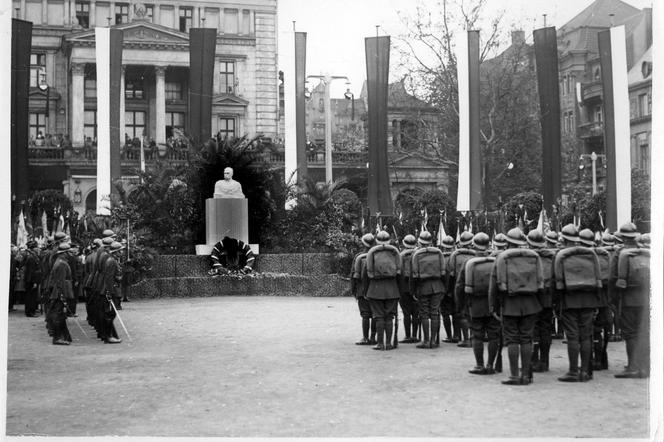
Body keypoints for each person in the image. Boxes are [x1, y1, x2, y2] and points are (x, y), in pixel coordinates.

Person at [489, 227, 543, 385]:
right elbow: (541, 282)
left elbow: (494, 284)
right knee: (527, 339)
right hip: (531, 303)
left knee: (512, 339)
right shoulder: (534, 256)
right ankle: (526, 375)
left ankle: (514, 375)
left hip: (509, 303)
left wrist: (492, 306)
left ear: (507, 242)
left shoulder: (502, 257)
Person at [553, 224, 603, 382]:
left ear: (564, 238)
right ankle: (586, 372)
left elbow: (556, 283)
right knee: (586, 336)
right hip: (588, 300)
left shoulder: (561, 255)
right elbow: (598, 280)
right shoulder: (591, 254)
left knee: (573, 337)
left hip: (569, 300)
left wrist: (556, 304)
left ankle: (573, 371)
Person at [456, 232, 500, 374]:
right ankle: (491, 365)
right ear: (488, 245)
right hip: (493, 304)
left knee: (477, 335)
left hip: (474, 305)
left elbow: (459, 287)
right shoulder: (496, 261)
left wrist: (461, 305)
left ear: (474, 245)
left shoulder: (468, 263)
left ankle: (479, 365)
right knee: (493, 336)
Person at [610, 223, 650, 378]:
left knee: (630, 333)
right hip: (646, 298)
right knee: (644, 332)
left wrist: (612, 299)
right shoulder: (645, 252)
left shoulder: (621, 253)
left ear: (622, 237)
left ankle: (632, 367)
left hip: (628, 298)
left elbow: (613, 277)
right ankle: (645, 367)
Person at [361, 230, 401, 351]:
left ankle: (379, 343)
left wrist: (366, 291)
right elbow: (400, 274)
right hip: (392, 289)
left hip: (375, 289)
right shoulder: (395, 253)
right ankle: (388, 343)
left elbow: (365, 275)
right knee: (389, 317)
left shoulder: (372, 253)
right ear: (389, 240)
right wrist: (398, 291)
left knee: (378, 317)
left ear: (376, 240)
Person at [526, 230, 556, 372]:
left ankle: (534, 361)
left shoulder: (529, 258)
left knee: (534, 329)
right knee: (546, 329)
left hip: (533, 297)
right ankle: (545, 361)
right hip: (548, 298)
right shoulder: (552, 257)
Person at [410, 231, 446, 349]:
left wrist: (413, 291)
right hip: (437, 286)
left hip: (423, 287)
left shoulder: (416, 254)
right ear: (431, 242)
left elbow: (413, 276)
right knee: (435, 313)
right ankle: (434, 340)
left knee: (424, 314)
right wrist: (444, 288)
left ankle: (426, 341)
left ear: (420, 242)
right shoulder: (438, 252)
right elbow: (444, 273)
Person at [447, 231, 475, 347]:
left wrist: (449, 290)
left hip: (459, 286)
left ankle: (464, 338)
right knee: (472, 313)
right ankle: (474, 338)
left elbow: (451, 274)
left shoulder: (455, 255)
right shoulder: (476, 254)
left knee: (460, 313)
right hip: (474, 287)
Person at [351, 233, 377, 345]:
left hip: (362, 290)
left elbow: (353, 275)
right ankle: (373, 337)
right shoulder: (378, 255)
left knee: (365, 315)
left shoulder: (359, 257)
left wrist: (354, 291)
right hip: (376, 289)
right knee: (376, 314)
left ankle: (365, 338)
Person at [47, 242, 75, 345]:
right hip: (60, 292)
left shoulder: (59, 261)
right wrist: (62, 295)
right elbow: (61, 282)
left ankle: (64, 336)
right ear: (64, 253)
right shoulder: (62, 264)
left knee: (60, 315)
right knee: (58, 315)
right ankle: (58, 338)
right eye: (68, 252)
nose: (69, 254)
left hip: (59, 292)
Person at [99, 241, 124, 344]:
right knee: (109, 314)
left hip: (108, 289)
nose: (121, 252)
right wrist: (109, 292)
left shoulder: (111, 260)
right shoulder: (112, 261)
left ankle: (108, 335)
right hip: (109, 290)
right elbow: (109, 279)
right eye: (120, 250)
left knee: (109, 314)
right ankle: (108, 336)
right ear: (116, 251)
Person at [398, 234, 420, 343]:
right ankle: (415, 335)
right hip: (416, 286)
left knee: (406, 313)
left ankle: (408, 336)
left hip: (404, 287)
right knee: (416, 313)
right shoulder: (418, 254)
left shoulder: (400, 255)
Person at [438, 235, 457, 343]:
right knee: (455, 313)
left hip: (443, 289)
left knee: (445, 314)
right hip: (454, 289)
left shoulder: (440, 257)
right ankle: (456, 335)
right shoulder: (456, 257)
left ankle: (449, 336)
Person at [23, 240, 43, 317]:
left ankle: (31, 310)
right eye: (36, 247)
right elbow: (31, 271)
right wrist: (34, 282)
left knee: (32, 296)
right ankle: (30, 312)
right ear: (33, 248)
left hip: (32, 280)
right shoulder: (31, 257)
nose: (38, 248)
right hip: (31, 280)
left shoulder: (33, 256)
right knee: (30, 297)